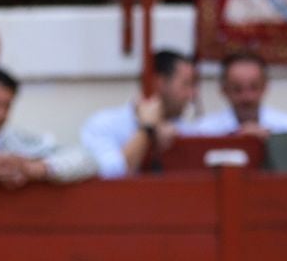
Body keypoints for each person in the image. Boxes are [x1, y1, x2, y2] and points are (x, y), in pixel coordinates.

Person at [80, 49, 198, 178]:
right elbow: (109, 176)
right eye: (186, 84)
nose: (192, 95)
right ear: (159, 83)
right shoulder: (103, 124)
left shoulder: (184, 129)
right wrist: (147, 130)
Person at [181, 50, 287, 137]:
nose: (247, 97)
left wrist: (271, 142)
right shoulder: (204, 131)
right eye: (237, 89)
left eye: (254, 87)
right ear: (224, 90)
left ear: (265, 87)